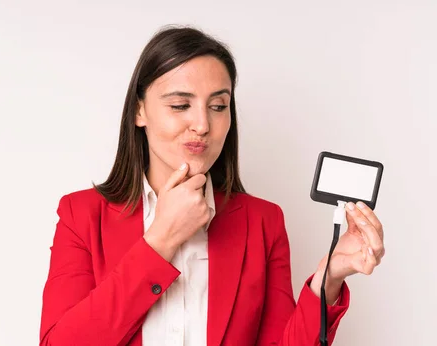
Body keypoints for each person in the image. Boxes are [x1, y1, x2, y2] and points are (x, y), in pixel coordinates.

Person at [39, 26, 385, 346]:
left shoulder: (262, 222)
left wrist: (328, 281)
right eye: (180, 105)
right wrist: (161, 240)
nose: (203, 124)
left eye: (218, 106)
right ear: (139, 111)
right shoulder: (82, 215)